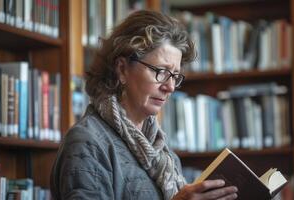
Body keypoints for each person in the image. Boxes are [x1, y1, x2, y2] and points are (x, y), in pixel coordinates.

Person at [50, 10, 238, 200]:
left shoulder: (165, 156)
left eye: (175, 76)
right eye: (161, 71)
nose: (170, 87)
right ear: (122, 69)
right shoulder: (87, 142)